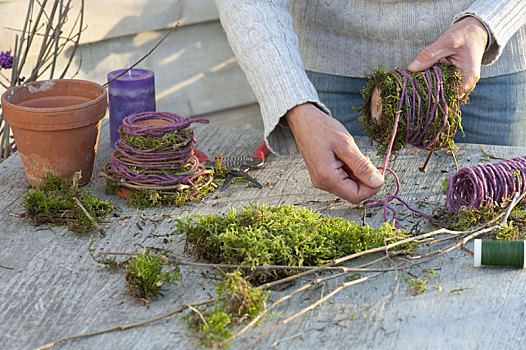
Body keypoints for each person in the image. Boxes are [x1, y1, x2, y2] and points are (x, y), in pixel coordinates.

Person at [214, 1, 526, 203]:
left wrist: (486, 22)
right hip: (330, 68)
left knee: (494, 216)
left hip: (481, 63)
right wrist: (295, 102)